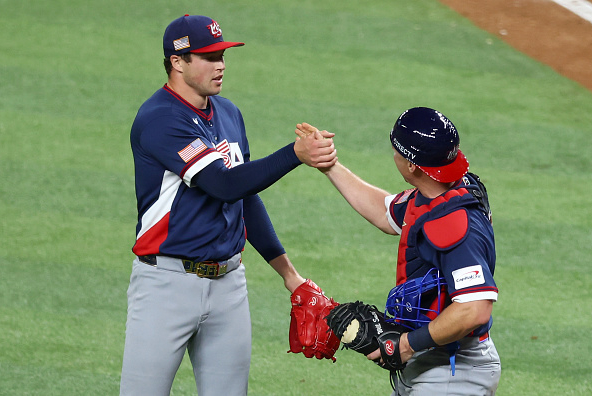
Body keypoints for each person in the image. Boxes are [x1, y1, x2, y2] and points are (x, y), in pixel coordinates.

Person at [121, 14, 337, 396]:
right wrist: (295, 154)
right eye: (208, 56)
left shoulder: (228, 114)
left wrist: (290, 275)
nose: (220, 64)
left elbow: (243, 194)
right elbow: (222, 184)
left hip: (228, 286)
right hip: (166, 286)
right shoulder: (160, 120)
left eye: (222, 54)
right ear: (178, 62)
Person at [296, 107, 501, 395]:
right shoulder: (440, 193)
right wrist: (330, 165)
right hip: (433, 359)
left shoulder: (453, 223)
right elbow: (385, 212)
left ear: (413, 165)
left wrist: (406, 344)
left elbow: (475, 309)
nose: (394, 156)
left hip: (454, 369)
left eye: (397, 152)